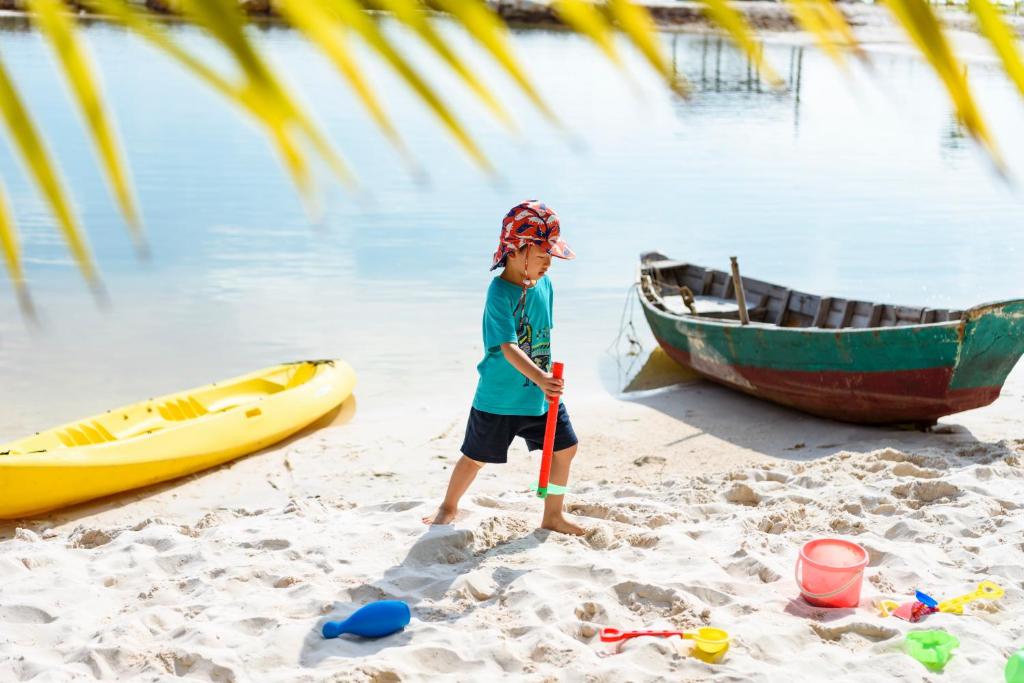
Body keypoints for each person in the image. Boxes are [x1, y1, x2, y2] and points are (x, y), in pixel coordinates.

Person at [422, 200, 584, 535]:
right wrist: (540, 377)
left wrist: (544, 381)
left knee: (565, 448)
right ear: (515, 252)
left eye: (551, 256)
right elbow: (509, 347)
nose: (548, 263)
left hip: (539, 397)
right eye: (542, 256)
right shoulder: (499, 293)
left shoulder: (545, 286)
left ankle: (553, 514)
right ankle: (448, 506)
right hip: (499, 399)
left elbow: (541, 335)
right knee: (475, 458)